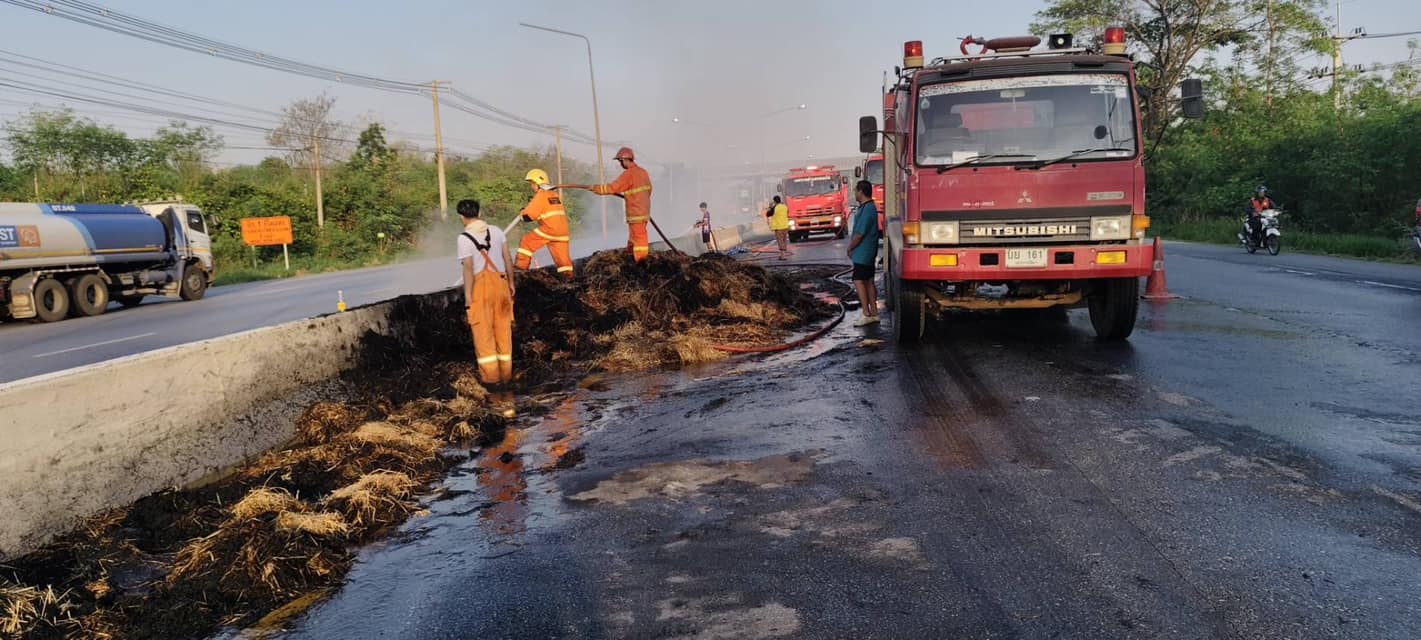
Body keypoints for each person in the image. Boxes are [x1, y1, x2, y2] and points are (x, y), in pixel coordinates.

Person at [456, 198, 515, 388]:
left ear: (461, 217)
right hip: (501, 285)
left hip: (480, 290)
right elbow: (508, 259)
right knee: (503, 332)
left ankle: (492, 381)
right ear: (479, 213)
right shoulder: (496, 231)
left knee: (484, 335)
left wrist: (468, 296)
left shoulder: (464, 238)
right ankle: (506, 377)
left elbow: (468, 268)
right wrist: (511, 283)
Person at [562, 146, 653, 262]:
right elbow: (649, 190)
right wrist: (639, 201)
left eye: (620, 161)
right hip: (644, 212)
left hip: (635, 213)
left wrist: (595, 188)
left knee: (639, 240)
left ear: (625, 160)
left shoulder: (629, 174)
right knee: (634, 238)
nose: (620, 164)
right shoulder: (643, 172)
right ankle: (630, 258)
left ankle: (642, 262)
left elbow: (612, 188)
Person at [514, 169, 574, 279]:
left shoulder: (541, 195)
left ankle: (519, 271)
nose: (531, 186)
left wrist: (522, 212)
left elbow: (529, 215)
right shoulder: (554, 195)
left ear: (538, 183)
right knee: (563, 261)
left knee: (526, 242)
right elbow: (545, 211)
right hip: (562, 232)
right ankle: (568, 278)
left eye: (532, 183)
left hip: (550, 229)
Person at [846, 180, 881, 326]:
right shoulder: (868, 207)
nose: (854, 193)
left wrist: (850, 248)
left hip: (863, 252)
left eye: (856, 190)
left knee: (858, 280)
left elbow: (860, 234)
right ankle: (874, 313)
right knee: (869, 280)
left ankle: (866, 313)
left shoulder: (867, 210)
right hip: (867, 251)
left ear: (861, 191)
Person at [767, 195, 790, 260]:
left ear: (774, 201)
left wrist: (770, 207)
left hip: (778, 227)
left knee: (780, 241)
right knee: (784, 240)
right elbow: (787, 213)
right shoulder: (785, 206)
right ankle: (784, 254)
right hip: (785, 226)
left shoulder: (775, 207)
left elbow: (768, 214)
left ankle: (783, 256)